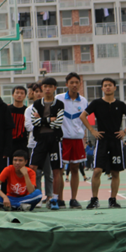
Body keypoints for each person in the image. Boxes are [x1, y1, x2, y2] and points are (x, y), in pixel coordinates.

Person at [82, 77, 126, 209]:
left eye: (110, 85)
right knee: (97, 171)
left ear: (115, 88)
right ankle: (94, 199)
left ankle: (112, 199)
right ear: (102, 88)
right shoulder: (96, 103)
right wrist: (92, 130)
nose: (107, 87)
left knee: (115, 172)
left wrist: (124, 131)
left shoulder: (120, 104)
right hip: (102, 140)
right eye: (105, 85)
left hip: (116, 141)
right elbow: (82, 116)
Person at [27, 77, 65, 211]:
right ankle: (34, 196)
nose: (47, 89)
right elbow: (34, 122)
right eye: (45, 86)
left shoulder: (59, 104)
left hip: (54, 140)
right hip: (40, 140)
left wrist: (42, 120)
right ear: (42, 88)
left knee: (56, 170)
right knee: (32, 168)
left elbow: (58, 123)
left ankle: (54, 198)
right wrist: (49, 119)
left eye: (50, 86)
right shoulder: (36, 104)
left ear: (55, 88)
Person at [52, 72, 87, 210]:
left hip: (77, 139)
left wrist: (81, 135)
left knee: (75, 169)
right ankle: (60, 199)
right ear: (66, 84)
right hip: (62, 139)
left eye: (76, 82)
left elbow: (83, 122)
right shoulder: (58, 99)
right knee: (60, 170)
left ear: (80, 84)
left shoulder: (83, 101)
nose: (74, 85)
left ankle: (73, 199)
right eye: (71, 82)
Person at [9, 86, 29, 155]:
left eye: (22, 93)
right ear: (13, 95)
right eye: (17, 93)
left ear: (25, 96)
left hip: (23, 142)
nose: (19, 95)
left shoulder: (27, 110)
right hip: (9, 141)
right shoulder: (7, 110)